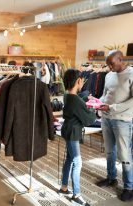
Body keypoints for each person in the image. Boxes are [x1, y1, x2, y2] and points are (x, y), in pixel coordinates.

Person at [96, 50, 133, 202]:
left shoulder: (131, 74)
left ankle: (129, 187)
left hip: (122, 120)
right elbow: (106, 95)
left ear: (120, 59)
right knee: (110, 152)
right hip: (106, 118)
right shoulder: (109, 75)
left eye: (112, 63)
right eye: (108, 65)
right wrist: (97, 102)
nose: (110, 67)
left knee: (124, 154)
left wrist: (112, 108)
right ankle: (111, 178)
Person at [58, 69, 96, 206]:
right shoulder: (75, 100)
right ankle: (76, 194)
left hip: (68, 130)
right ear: (78, 81)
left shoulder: (67, 96)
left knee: (69, 159)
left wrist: (85, 99)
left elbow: (77, 101)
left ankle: (63, 187)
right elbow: (89, 119)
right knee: (77, 162)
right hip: (73, 132)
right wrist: (93, 108)